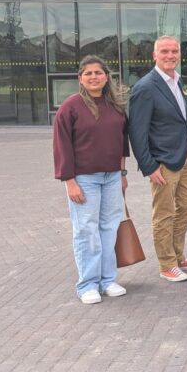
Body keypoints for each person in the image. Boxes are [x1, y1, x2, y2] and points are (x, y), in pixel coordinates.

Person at [53, 55, 130, 304]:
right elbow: (61, 146)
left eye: (98, 72)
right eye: (88, 73)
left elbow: (122, 142)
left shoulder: (115, 106)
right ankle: (87, 284)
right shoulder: (71, 107)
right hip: (84, 179)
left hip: (111, 177)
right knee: (86, 231)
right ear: (80, 79)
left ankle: (107, 280)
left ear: (106, 77)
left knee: (109, 228)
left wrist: (122, 173)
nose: (94, 77)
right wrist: (69, 181)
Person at [128, 36, 187, 282]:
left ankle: (178, 256)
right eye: (165, 51)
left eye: (174, 51)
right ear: (154, 55)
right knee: (164, 213)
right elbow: (137, 132)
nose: (170, 55)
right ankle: (166, 264)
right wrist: (149, 166)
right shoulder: (145, 87)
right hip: (162, 161)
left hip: (185, 155)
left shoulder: (177, 80)